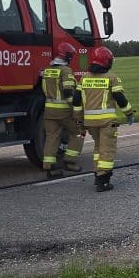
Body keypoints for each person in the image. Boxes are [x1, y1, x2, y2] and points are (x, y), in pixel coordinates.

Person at [73, 46, 134, 192]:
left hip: (90, 122)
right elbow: (121, 99)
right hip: (106, 122)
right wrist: (129, 113)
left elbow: (76, 100)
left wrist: (79, 119)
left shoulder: (84, 78)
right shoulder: (111, 77)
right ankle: (103, 180)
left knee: (98, 148)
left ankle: (97, 174)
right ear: (107, 61)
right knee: (107, 150)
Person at [40, 42, 84, 178]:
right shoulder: (66, 71)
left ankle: (49, 167)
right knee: (78, 132)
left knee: (51, 137)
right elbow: (68, 93)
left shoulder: (47, 70)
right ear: (67, 56)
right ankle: (70, 162)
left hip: (49, 112)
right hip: (64, 112)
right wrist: (76, 110)